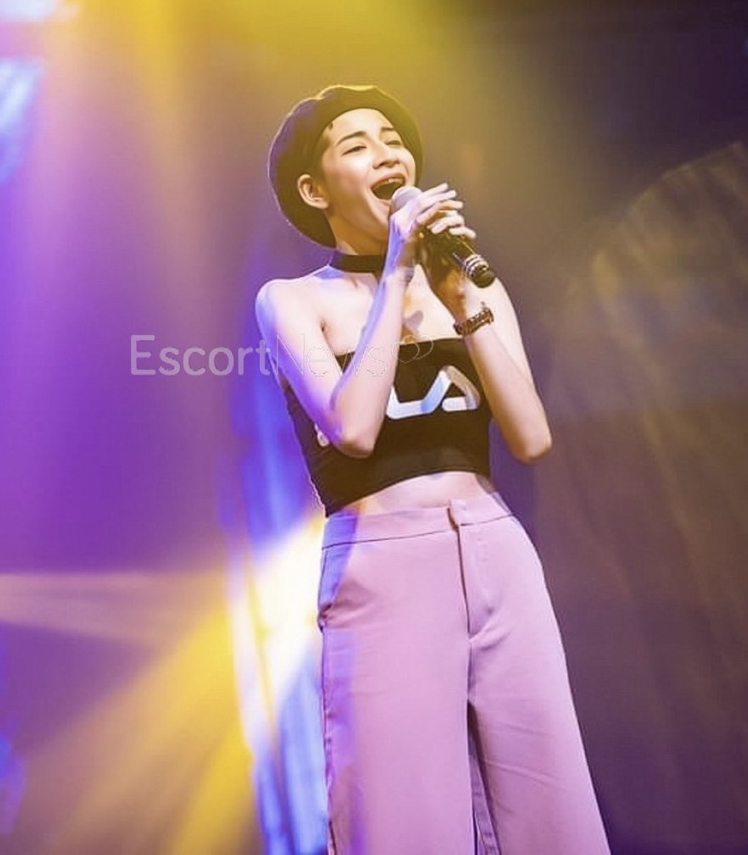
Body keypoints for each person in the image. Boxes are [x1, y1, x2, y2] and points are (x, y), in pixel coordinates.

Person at [256, 85, 610, 854]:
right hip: (384, 561)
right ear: (315, 191)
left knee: (549, 797)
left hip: (496, 549)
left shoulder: (473, 287)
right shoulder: (293, 301)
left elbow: (532, 436)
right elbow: (353, 429)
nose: (386, 153)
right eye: (357, 145)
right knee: (402, 811)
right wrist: (395, 275)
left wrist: (464, 303)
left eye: (393, 139)